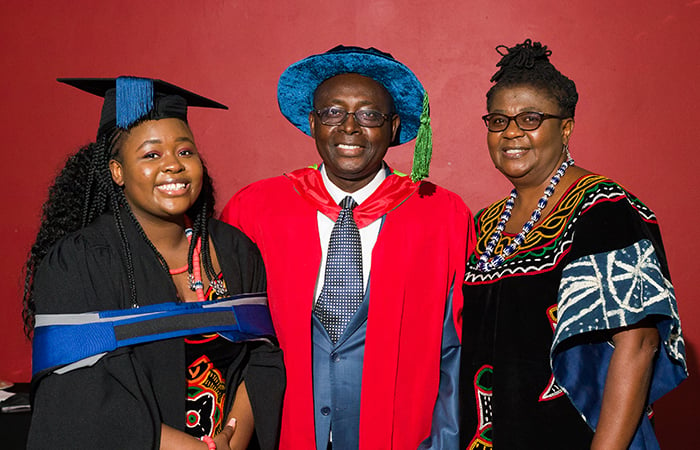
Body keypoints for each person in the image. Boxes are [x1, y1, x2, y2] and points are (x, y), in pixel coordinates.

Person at [221, 46, 473, 449]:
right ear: (312, 123)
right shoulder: (254, 210)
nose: (350, 128)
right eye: (333, 112)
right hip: (281, 435)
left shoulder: (441, 216)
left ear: (393, 128)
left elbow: (455, 352)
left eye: (369, 115)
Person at [22, 76, 284, 450]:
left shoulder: (234, 251)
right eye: (151, 154)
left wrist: (230, 440)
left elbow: (262, 359)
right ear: (117, 171)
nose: (173, 166)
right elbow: (80, 394)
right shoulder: (79, 262)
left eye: (185, 151)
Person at [460, 39, 687, 450]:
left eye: (530, 119)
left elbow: (638, 344)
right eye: (498, 120)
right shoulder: (484, 224)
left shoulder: (602, 208)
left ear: (565, 128)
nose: (511, 132)